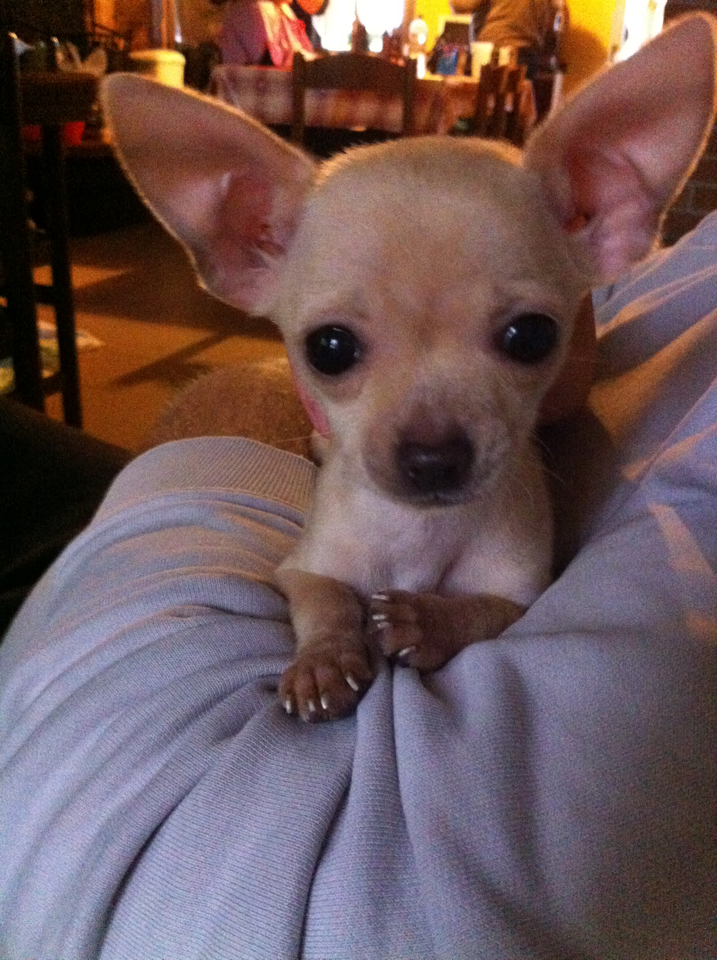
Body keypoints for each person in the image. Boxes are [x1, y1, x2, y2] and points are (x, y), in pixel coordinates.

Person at [1, 207, 715, 955]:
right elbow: (311, 574)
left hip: (106, 777)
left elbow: (507, 601)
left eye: (522, 337)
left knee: (223, 397)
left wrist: (428, 622)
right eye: (337, 348)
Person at [450, 0, 567, 75]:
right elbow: (560, 18)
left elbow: (459, 5)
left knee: (485, 102)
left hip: (495, 52)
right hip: (530, 55)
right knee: (516, 104)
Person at [212, 0, 313, 68]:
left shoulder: (283, 9)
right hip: (247, 87)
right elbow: (266, 60)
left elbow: (298, 50)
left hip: (276, 82)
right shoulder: (251, 8)